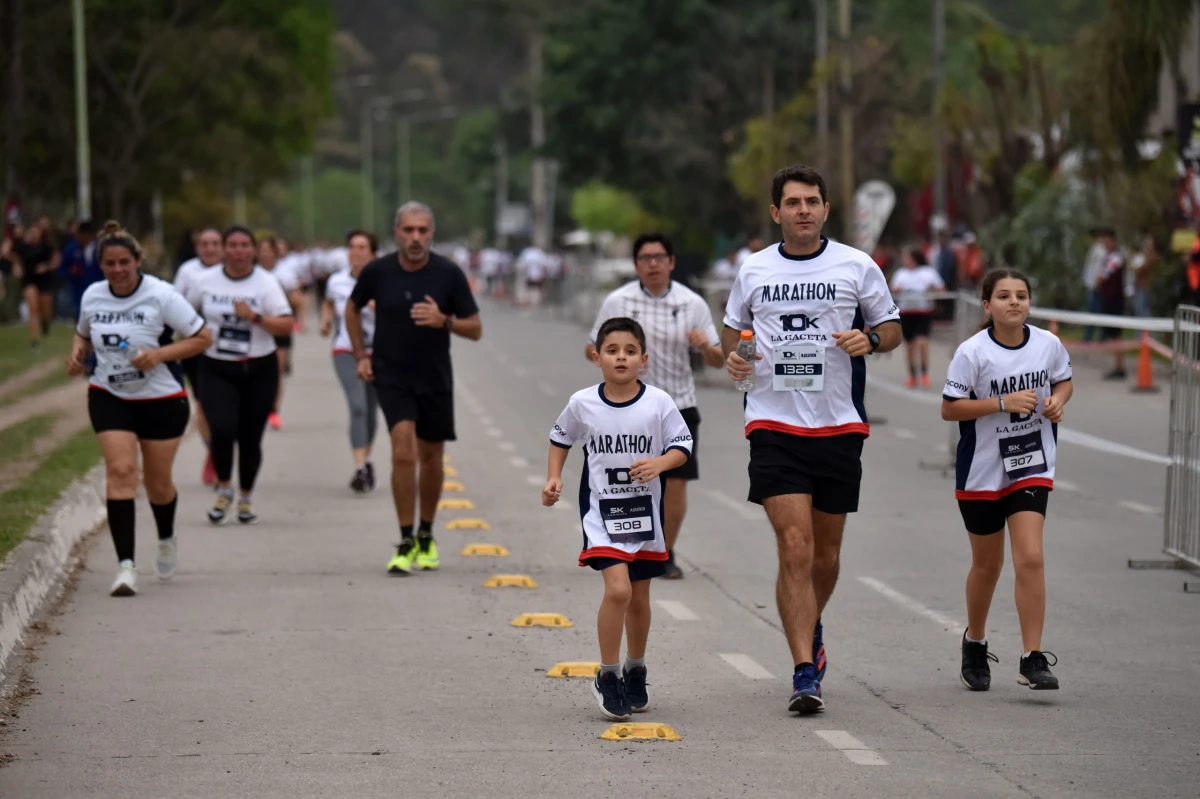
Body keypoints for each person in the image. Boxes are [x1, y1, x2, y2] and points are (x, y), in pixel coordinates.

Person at [722, 164, 902, 713]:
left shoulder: (856, 265)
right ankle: (805, 670)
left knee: (825, 556)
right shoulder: (753, 269)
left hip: (838, 423)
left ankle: (810, 624)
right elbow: (736, 329)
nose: (803, 210)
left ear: (826, 210)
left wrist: (868, 338)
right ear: (776, 212)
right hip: (773, 424)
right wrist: (737, 356)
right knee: (794, 545)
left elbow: (892, 329)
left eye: (813, 201)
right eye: (793, 202)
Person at [543, 317, 693, 720]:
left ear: (643, 359)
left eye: (629, 351)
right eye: (612, 351)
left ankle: (635, 667)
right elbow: (561, 437)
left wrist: (660, 463)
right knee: (619, 592)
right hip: (603, 514)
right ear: (597, 357)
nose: (621, 358)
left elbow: (683, 445)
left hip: (644, 515)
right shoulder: (582, 402)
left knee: (640, 598)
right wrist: (554, 477)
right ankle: (607, 675)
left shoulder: (659, 402)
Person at [941, 268, 1071, 692]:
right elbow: (950, 408)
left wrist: (1055, 401)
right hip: (981, 469)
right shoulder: (972, 352)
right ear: (987, 305)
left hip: (1031, 463)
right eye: (1003, 296)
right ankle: (974, 642)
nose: (1014, 302)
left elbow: (1065, 382)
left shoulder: (1048, 344)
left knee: (1030, 556)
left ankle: (1032, 657)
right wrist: (1001, 402)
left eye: (1021, 295)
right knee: (988, 564)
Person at [66, 221, 212, 596]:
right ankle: (125, 567)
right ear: (102, 265)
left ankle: (166, 535)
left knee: (157, 483)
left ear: (138, 261)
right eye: (110, 264)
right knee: (121, 470)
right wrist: (77, 351)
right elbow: (83, 333)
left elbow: (202, 338)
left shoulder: (162, 295)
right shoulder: (93, 296)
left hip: (161, 399)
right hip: (108, 395)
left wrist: (159, 354)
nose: (117, 270)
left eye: (124, 262)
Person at [345, 202, 482, 574]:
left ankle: (426, 533)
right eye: (409, 230)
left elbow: (475, 328)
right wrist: (361, 354)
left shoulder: (448, 274)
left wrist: (444, 321)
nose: (416, 237)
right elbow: (352, 308)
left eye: (423, 231)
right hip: (392, 376)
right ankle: (405, 539)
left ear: (431, 234)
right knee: (402, 449)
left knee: (431, 457)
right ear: (397, 233)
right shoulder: (378, 271)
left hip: (435, 377)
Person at [586, 233, 724, 579]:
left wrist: (705, 346)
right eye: (645, 258)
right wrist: (616, 360)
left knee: (675, 482)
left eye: (659, 257)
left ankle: (666, 552)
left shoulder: (691, 303)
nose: (653, 264)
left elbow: (719, 360)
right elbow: (591, 348)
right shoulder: (618, 301)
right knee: (630, 480)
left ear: (671, 262)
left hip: (677, 405)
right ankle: (620, 543)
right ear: (636, 265)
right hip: (628, 406)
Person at [187, 226, 294, 525]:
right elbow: (185, 313)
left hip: (258, 367)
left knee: (250, 438)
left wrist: (256, 317)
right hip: (216, 366)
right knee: (221, 428)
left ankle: (245, 497)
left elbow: (286, 324)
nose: (238, 251)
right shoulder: (204, 282)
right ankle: (223, 489)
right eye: (232, 245)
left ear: (254, 250)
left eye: (245, 245)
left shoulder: (266, 283)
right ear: (223, 249)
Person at [321, 229, 380, 493]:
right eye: (352, 247)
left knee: (371, 410)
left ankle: (366, 461)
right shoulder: (337, 281)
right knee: (358, 406)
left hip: (379, 353)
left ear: (372, 253)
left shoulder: (384, 282)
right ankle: (359, 467)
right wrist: (325, 320)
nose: (355, 253)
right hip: (346, 350)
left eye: (362, 248)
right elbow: (328, 303)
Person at [174, 227, 224, 485]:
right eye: (205, 243)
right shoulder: (188, 272)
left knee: (227, 409)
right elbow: (174, 305)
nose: (210, 248)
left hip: (229, 351)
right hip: (196, 348)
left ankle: (221, 449)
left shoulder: (232, 271)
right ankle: (214, 453)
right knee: (203, 405)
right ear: (197, 247)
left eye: (215, 243)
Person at [890, 247, 946, 389]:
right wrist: (897, 290)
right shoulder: (901, 273)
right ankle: (912, 375)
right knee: (909, 346)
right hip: (906, 312)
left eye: (907, 258)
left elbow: (942, 289)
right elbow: (891, 290)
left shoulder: (928, 272)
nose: (905, 261)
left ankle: (925, 373)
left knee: (922, 342)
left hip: (923, 312)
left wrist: (931, 290)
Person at [256, 236, 293, 430]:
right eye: (261, 250)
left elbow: (296, 296)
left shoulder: (284, 273)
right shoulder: (251, 273)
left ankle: (274, 410)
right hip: (257, 328)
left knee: (276, 372)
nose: (265, 254)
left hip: (278, 327)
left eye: (269, 250)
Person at [13, 220, 60, 349]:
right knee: (33, 309)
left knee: (45, 310)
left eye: (35, 232)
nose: (33, 235)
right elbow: (14, 256)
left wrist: (46, 266)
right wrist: (17, 267)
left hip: (44, 280)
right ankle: (34, 340)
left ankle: (45, 324)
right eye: (31, 232)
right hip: (29, 280)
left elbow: (56, 260)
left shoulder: (47, 246)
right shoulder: (24, 247)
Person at [1094, 228, 1127, 380]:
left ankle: (1120, 367)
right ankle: (1118, 365)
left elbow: (1103, 276)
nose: (1104, 243)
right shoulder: (1110, 256)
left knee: (1115, 333)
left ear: (1112, 240)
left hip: (1115, 299)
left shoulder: (1116, 257)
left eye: (1106, 239)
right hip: (1109, 298)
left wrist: (1098, 280)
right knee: (1113, 334)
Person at [58, 220, 101, 319]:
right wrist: (70, 271)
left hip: (99, 290)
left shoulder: (101, 249)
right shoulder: (71, 249)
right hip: (79, 292)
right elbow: (61, 269)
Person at [1129, 233, 1158, 319]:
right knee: (1139, 310)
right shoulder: (1144, 256)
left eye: (1148, 244)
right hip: (1139, 286)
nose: (1146, 247)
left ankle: (1147, 332)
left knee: (1143, 311)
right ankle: (1140, 332)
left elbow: (1143, 269)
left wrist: (1134, 268)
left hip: (1144, 287)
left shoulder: (1151, 257)